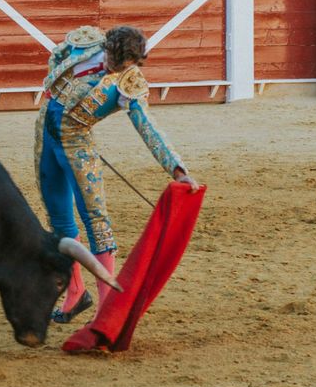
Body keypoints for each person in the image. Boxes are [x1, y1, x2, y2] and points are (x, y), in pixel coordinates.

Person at [36, 24, 198, 323]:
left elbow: (148, 127)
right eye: (111, 56)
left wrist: (176, 169)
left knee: (97, 223)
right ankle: (75, 294)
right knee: (58, 219)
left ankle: (106, 310)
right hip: (45, 138)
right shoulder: (89, 45)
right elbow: (58, 55)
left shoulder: (131, 85)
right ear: (107, 45)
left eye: (122, 64)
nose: (112, 65)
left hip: (77, 147)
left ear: (135, 63)